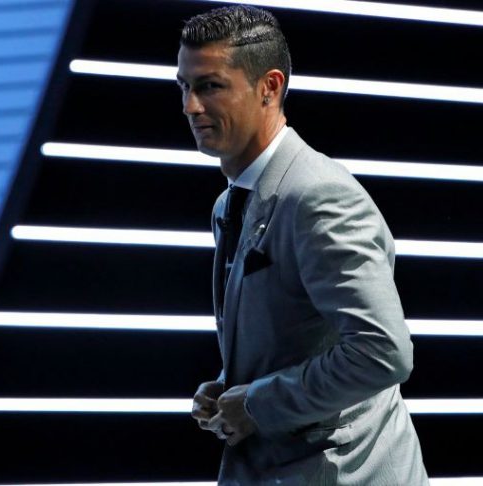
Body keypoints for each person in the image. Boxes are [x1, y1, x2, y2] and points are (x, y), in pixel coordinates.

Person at [177, 5, 429, 485]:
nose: (191, 106)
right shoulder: (229, 203)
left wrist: (257, 403)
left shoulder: (318, 195)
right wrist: (230, 388)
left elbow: (382, 352)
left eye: (210, 86)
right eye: (184, 86)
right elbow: (295, 339)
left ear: (269, 87)